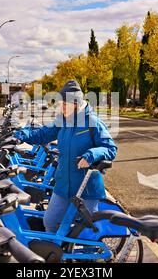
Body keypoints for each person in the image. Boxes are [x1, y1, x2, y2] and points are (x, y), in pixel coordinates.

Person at [14, 80, 117, 233]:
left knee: (86, 231)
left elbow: (110, 148)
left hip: (86, 188)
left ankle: (87, 256)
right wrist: (20, 135)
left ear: (75, 103)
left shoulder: (92, 122)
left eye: (64, 104)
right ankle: (60, 254)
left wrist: (91, 155)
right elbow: (43, 134)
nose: (60, 107)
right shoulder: (63, 120)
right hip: (63, 185)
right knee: (50, 221)